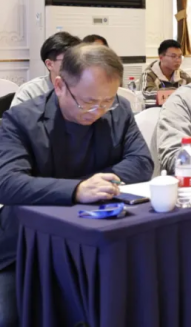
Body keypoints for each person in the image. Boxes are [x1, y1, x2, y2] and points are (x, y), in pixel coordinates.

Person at [0, 45, 153, 324]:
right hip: (30, 244)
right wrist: (78, 190)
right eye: (88, 102)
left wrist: (95, 185)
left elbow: (141, 162)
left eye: (107, 101)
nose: (98, 111)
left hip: (99, 237)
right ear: (60, 86)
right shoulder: (21, 119)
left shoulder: (119, 109)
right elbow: (8, 183)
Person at [11, 31, 81, 108]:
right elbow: (16, 115)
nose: (75, 64)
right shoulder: (30, 92)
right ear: (49, 64)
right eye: (68, 60)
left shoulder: (85, 87)